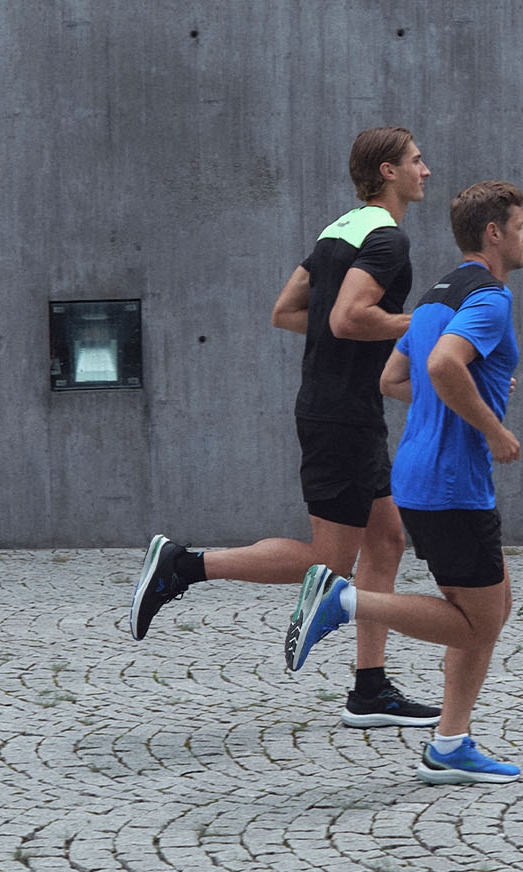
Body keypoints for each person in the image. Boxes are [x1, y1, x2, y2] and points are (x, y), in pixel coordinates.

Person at [130, 126, 440, 730]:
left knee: (386, 541)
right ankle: (183, 565)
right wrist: (420, 323)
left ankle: (369, 688)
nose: (425, 170)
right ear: (387, 172)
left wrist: (347, 336)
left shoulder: (337, 231)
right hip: (342, 416)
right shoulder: (387, 241)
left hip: (340, 408)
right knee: (330, 558)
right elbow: (350, 318)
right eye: (416, 160)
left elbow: (287, 312)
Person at [286, 180, 523, 784]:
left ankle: (451, 741)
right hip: (452, 483)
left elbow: (395, 378)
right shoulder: (490, 297)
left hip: (419, 474)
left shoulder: (435, 294)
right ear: (493, 233)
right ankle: (342, 601)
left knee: (494, 602)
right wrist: (492, 426)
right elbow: (444, 365)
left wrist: (478, 391)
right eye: (521, 225)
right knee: (478, 620)